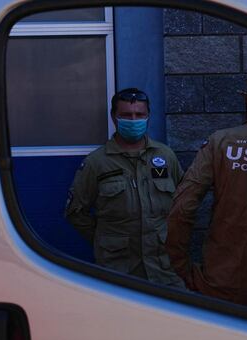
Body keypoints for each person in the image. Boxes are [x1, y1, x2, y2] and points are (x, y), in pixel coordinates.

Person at [166, 67, 247, 314]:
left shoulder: (220, 141)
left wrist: (183, 270)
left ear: (246, 100)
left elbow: (181, 209)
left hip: (222, 283)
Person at [65, 87, 184, 287]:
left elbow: (183, 204)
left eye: (139, 115)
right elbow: (76, 212)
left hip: (164, 269)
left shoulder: (165, 156)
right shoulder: (97, 162)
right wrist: (106, 239)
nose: (133, 120)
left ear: (148, 116)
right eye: (126, 115)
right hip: (118, 270)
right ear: (114, 117)